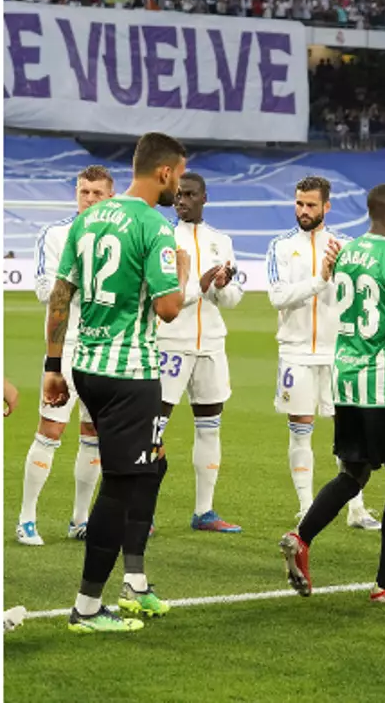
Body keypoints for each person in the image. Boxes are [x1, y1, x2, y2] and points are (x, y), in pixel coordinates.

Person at [43, 131, 191, 634]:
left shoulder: (87, 219)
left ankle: (135, 581)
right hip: (130, 372)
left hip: (87, 367)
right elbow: (168, 309)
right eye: (180, 175)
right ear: (165, 173)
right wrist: (185, 274)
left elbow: (61, 294)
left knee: (153, 465)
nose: (180, 186)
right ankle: (87, 608)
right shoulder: (154, 224)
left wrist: (51, 365)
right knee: (122, 486)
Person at [279, 184, 385, 605]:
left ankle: (301, 536)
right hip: (382, 386)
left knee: (354, 474)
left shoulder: (344, 254)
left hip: (344, 381)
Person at [267, 177, 381, 530]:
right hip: (296, 352)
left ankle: (356, 508)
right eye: (299, 204)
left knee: (348, 433)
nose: (304, 211)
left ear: (326, 207)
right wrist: (320, 279)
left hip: (339, 353)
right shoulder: (281, 247)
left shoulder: (346, 246)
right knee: (300, 429)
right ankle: (306, 507)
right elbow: (277, 296)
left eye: (311, 205)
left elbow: (364, 296)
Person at [17, 165, 112, 546]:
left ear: (110, 197)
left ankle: (80, 519)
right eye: (83, 192)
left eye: (97, 194)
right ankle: (26, 519)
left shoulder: (114, 237)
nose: (88, 199)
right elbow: (44, 290)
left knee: (93, 434)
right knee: (50, 430)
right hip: (66, 346)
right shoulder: (56, 234)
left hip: (103, 348)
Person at [157, 172, 244, 534]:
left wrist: (221, 287)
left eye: (190, 195)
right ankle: (142, 513)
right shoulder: (162, 237)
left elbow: (233, 299)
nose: (182, 201)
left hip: (210, 343)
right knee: (153, 429)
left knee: (209, 427)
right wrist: (201, 282)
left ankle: (204, 512)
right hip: (169, 343)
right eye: (178, 195)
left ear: (204, 198)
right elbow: (163, 295)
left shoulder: (221, 241)